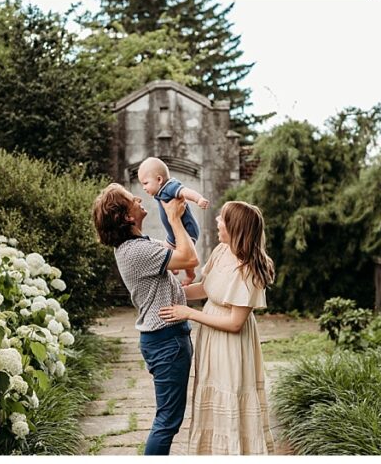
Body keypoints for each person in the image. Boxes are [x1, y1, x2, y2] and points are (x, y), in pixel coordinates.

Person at [160, 201, 276, 455]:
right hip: (211, 337)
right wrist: (170, 292)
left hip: (231, 344)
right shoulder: (221, 251)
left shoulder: (249, 270)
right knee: (211, 395)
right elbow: (205, 288)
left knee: (230, 393)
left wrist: (188, 313)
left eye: (222, 219)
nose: (217, 222)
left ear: (235, 227)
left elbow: (235, 323)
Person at [91, 183, 199, 455]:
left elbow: (178, 248)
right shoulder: (136, 251)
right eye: (131, 199)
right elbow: (189, 258)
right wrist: (174, 217)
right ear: (127, 217)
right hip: (167, 341)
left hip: (164, 339)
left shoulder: (139, 244)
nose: (139, 198)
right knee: (167, 421)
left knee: (168, 419)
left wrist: (177, 213)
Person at [137, 157, 210, 285]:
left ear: (159, 180)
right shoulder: (159, 191)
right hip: (172, 235)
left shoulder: (170, 186)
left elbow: (185, 191)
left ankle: (190, 274)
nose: (143, 187)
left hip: (187, 229)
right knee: (165, 249)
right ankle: (175, 265)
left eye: (145, 183)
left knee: (187, 254)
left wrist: (198, 199)